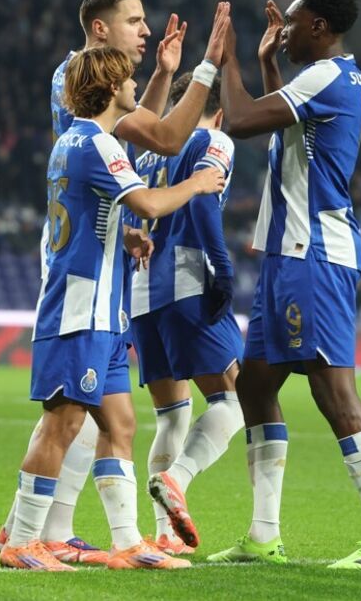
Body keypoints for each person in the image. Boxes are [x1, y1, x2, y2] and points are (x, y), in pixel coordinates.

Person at [0, 0, 230, 564]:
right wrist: (203, 68)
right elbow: (161, 137)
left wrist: (117, 230)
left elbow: (129, 123)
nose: (146, 32)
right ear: (100, 32)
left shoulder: (83, 115)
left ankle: (118, 541)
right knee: (66, 415)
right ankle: (23, 534)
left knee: (113, 419)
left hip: (99, 273)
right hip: (80, 288)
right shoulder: (84, 109)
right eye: (134, 20)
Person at [205, 0, 361, 569]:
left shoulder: (328, 75)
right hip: (285, 256)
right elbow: (283, 125)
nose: (284, 27)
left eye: (292, 22)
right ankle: (264, 535)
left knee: (332, 390)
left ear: (319, 26)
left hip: (313, 253)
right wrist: (270, 59)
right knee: (255, 385)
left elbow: (241, 119)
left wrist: (230, 56)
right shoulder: (324, 78)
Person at [127, 74, 244, 555]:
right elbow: (202, 207)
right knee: (237, 400)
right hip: (186, 281)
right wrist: (223, 269)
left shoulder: (142, 152)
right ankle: (177, 478)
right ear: (217, 113)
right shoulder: (213, 138)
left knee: (171, 418)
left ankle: (163, 535)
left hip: (140, 291)